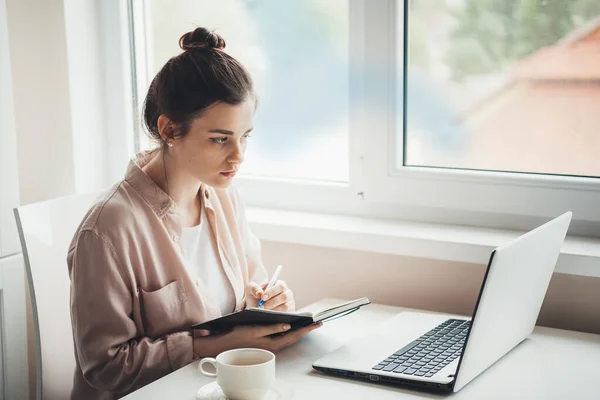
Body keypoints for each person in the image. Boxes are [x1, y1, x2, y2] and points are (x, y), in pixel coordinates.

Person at [67, 27, 322, 399]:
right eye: (220, 139)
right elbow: (104, 367)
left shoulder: (225, 197)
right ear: (170, 130)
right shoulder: (108, 230)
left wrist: (268, 306)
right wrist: (207, 346)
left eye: (244, 136)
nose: (238, 156)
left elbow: (251, 293)